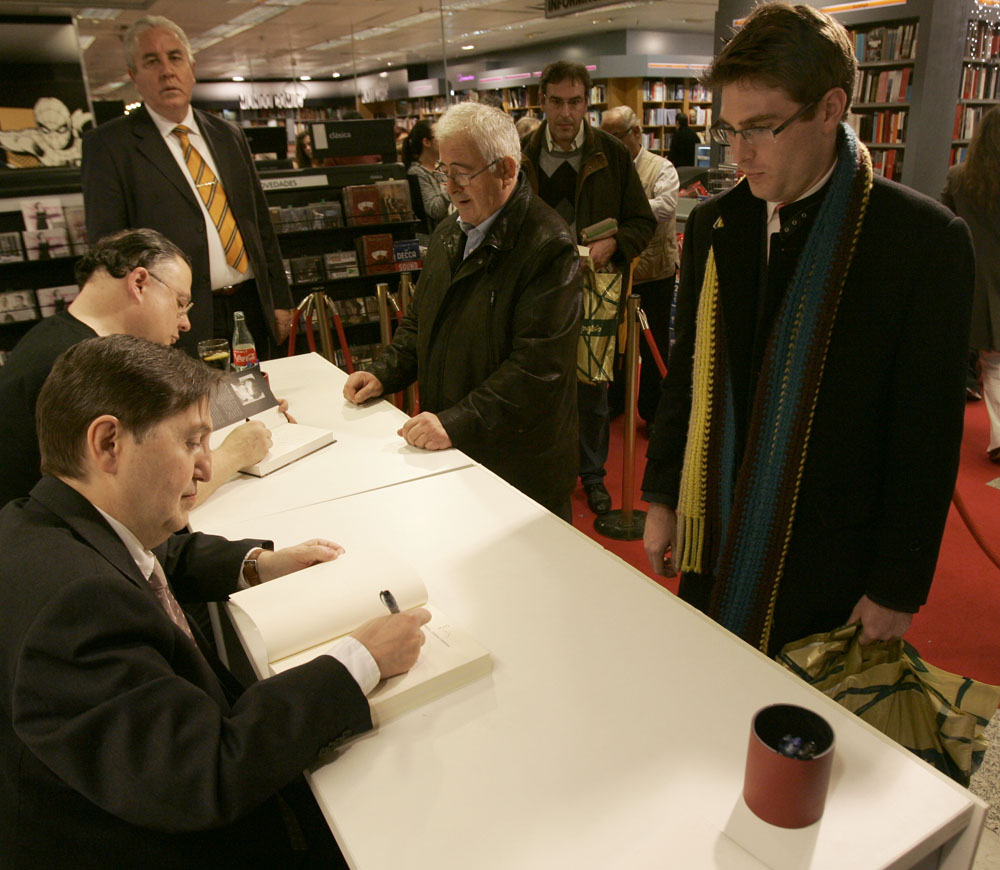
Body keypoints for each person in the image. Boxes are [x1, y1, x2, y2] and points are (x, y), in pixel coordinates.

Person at [0, 334, 430, 868]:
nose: (206, 468)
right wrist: (358, 661)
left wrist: (258, 563)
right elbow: (202, 773)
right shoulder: (76, 608)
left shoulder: (41, 519)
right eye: (190, 443)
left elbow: (159, 555)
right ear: (109, 443)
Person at [641, 2, 975, 658]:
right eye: (729, 128)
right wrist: (662, 496)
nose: (739, 153)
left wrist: (897, 586)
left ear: (830, 109)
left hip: (832, 563)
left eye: (762, 128)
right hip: (716, 530)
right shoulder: (716, 225)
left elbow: (927, 435)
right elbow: (687, 377)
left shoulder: (922, 243)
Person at [343, 102, 581, 520]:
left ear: (506, 169)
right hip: (454, 447)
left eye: (462, 172)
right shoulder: (449, 233)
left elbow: (537, 367)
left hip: (519, 466)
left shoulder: (548, 245)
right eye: (443, 170)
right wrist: (384, 372)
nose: (449, 187)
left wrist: (457, 422)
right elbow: (421, 321)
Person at [0, 229, 274, 507]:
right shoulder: (84, 367)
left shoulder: (55, 338)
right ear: (139, 283)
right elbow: (153, 502)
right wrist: (235, 453)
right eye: (180, 304)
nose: (185, 323)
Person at [81, 15, 294, 359]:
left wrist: (280, 300)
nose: (167, 71)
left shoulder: (228, 134)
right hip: (175, 320)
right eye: (152, 61)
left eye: (175, 57)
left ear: (192, 68)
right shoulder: (109, 146)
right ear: (134, 76)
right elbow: (108, 250)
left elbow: (260, 224)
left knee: (259, 390)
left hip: (251, 306)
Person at [521, 61, 655, 515]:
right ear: (542, 101)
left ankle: (593, 475)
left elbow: (642, 221)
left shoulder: (611, 154)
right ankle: (546, 472)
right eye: (557, 102)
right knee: (537, 380)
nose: (566, 113)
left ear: (587, 103)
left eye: (575, 102)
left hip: (596, 289)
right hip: (536, 290)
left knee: (593, 388)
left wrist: (614, 244)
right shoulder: (521, 154)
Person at [601, 106, 680, 426]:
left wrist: (625, 212)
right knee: (615, 343)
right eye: (604, 137)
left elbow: (665, 206)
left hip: (655, 272)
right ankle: (615, 401)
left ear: (636, 133)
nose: (609, 143)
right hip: (618, 271)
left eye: (615, 136)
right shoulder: (607, 169)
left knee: (653, 343)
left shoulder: (662, 168)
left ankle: (653, 410)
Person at [941, 106, 1000, 464]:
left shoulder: (960, 178)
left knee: (992, 364)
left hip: (981, 284)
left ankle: (999, 438)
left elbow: (946, 223)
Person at [402, 119, 450, 230]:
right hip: (433, 236)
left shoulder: (440, 167)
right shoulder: (416, 172)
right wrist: (453, 184)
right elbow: (435, 210)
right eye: (440, 135)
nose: (444, 139)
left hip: (448, 231)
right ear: (426, 142)